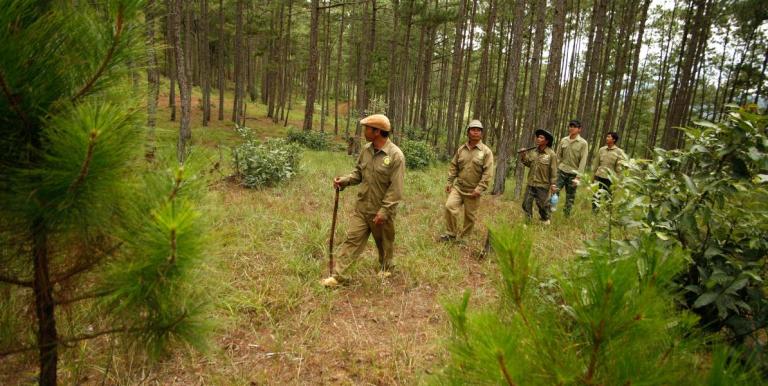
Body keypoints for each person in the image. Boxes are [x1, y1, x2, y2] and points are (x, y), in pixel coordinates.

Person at [322, 114, 405, 288]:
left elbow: (395, 189)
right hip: (362, 207)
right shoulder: (366, 150)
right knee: (352, 239)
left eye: (367, 128)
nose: (364, 131)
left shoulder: (396, 155)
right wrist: (345, 180)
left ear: (377, 131)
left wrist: (384, 211)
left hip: (381, 209)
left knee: (383, 242)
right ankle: (339, 277)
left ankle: (386, 266)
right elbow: (358, 173)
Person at [440, 119, 495, 242]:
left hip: (473, 190)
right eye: (473, 130)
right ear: (468, 132)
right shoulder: (461, 150)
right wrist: (450, 182)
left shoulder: (486, 152)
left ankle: (465, 238)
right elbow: (454, 166)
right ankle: (451, 234)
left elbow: (488, 173)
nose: (475, 132)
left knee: (470, 216)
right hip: (459, 188)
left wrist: (479, 189)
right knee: (449, 206)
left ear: (481, 134)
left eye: (478, 130)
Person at [520, 129, 558, 224]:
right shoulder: (534, 152)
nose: (538, 139)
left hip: (543, 185)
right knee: (526, 203)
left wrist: (553, 184)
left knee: (542, 205)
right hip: (531, 183)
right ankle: (527, 221)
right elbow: (528, 163)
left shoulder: (551, 154)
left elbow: (554, 170)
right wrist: (524, 156)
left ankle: (545, 219)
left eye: (541, 137)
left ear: (546, 141)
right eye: (538, 137)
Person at [555, 119, 589, 217]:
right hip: (561, 170)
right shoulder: (563, 140)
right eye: (570, 126)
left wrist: (578, 177)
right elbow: (558, 156)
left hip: (573, 174)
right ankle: (549, 211)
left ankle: (566, 215)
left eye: (574, 127)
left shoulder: (583, 143)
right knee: (554, 191)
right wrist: (554, 169)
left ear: (579, 129)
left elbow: (583, 161)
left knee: (570, 196)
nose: (571, 128)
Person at [592, 131, 627, 212]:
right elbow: (596, 163)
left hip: (610, 179)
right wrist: (593, 176)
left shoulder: (619, 152)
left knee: (608, 198)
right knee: (596, 196)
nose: (606, 138)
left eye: (609, 137)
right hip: (599, 176)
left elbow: (619, 169)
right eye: (607, 136)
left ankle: (607, 215)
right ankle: (594, 213)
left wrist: (617, 181)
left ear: (614, 140)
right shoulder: (601, 149)